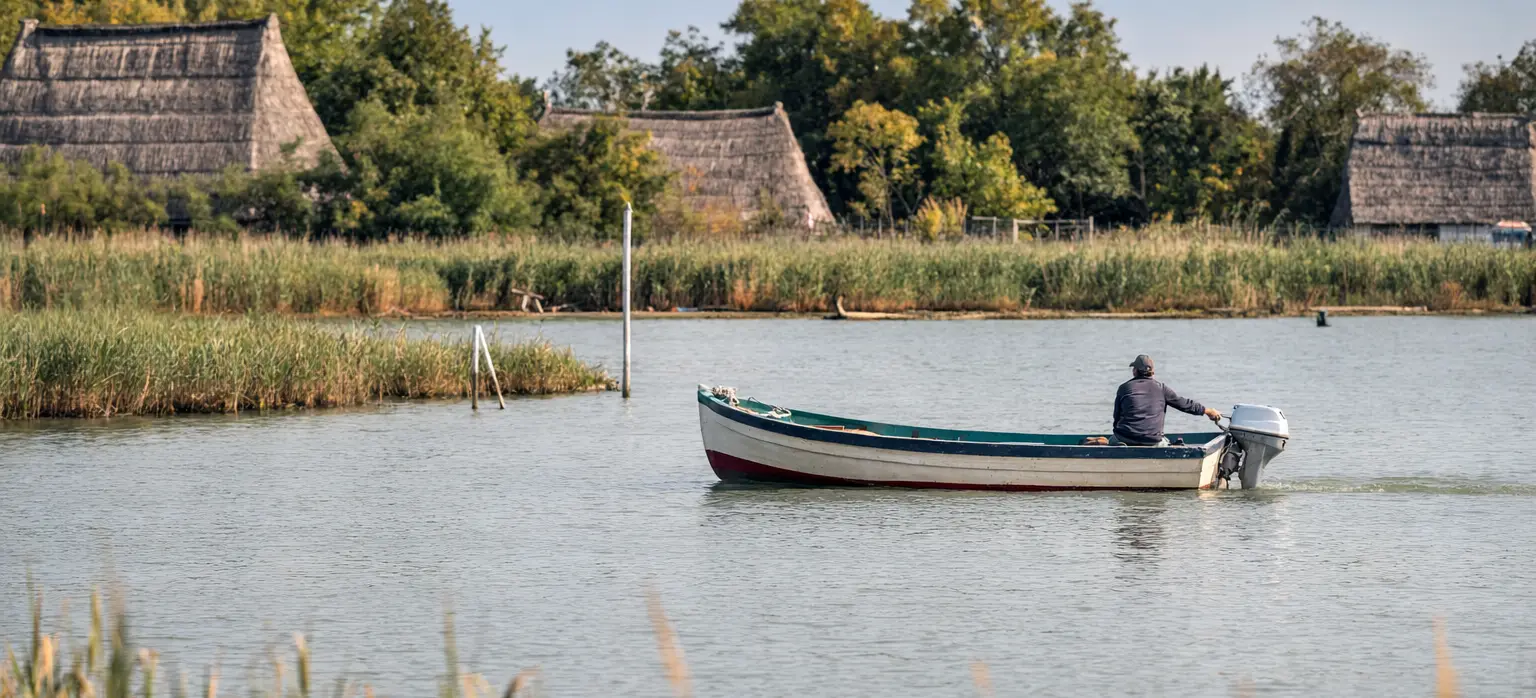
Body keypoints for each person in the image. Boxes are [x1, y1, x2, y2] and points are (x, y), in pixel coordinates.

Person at [1111, 354, 1222, 446]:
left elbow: (1116, 417)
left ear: (1135, 371)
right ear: (1152, 373)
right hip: (1152, 441)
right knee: (1167, 443)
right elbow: (1184, 405)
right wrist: (1208, 411)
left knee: (1111, 440)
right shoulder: (1161, 388)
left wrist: (1120, 433)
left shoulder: (1124, 388)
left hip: (1125, 438)